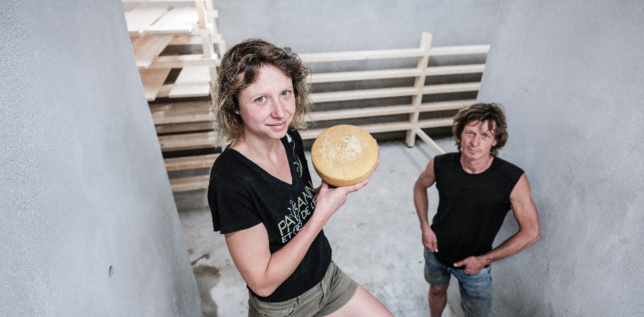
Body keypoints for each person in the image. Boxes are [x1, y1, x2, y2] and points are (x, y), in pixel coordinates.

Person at [208, 39, 393, 317]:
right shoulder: (230, 181)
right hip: (285, 306)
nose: (281, 112)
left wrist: (338, 183)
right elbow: (263, 282)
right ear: (234, 105)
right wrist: (322, 215)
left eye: (285, 93)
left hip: (326, 277)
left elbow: (295, 208)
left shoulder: (289, 139)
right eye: (261, 99)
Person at [413, 103, 541, 317]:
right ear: (460, 134)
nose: (474, 142)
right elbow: (419, 187)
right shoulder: (440, 164)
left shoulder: (512, 179)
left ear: (495, 140)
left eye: (485, 135)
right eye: (470, 133)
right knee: (436, 290)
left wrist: (484, 260)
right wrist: (425, 227)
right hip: (435, 252)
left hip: (476, 267)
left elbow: (532, 232)